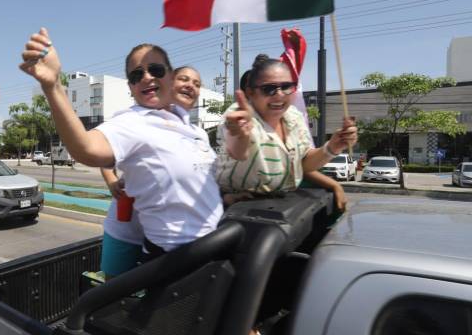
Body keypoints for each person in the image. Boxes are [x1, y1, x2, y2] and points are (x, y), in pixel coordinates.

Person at [20, 28, 224, 259]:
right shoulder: (133, 121)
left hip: (216, 244)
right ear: (131, 87)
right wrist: (53, 87)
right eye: (137, 75)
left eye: (155, 69)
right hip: (175, 258)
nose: (147, 77)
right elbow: (86, 148)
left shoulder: (193, 128)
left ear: (169, 75)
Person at [99, 65, 204, 277]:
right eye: (183, 79)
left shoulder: (199, 134)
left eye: (197, 83)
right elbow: (103, 155)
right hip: (126, 229)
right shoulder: (137, 120)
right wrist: (112, 181)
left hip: (167, 240)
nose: (190, 86)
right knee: (112, 294)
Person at [217, 54, 357, 203]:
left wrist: (332, 147)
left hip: (283, 203)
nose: (279, 95)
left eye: (286, 87)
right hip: (239, 207)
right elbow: (237, 151)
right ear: (250, 92)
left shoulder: (294, 116)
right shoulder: (238, 115)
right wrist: (240, 136)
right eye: (268, 89)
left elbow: (303, 164)